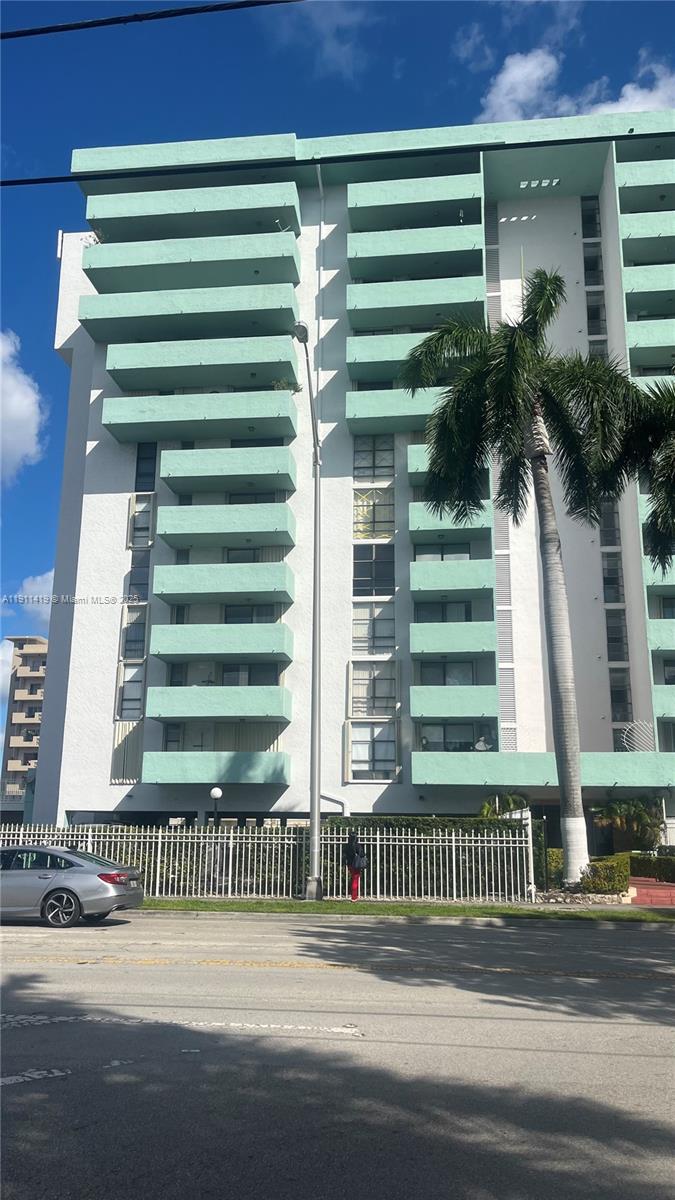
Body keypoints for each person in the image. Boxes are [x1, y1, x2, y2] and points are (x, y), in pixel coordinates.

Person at [343, 831, 367, 902]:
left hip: (350, 864)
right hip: (356, 864)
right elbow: (362, 854)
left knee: (353, 879)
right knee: (355, 880)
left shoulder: (347, 845)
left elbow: (345, 855)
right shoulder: (357, 845)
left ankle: (354, 896)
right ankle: (354, 897)